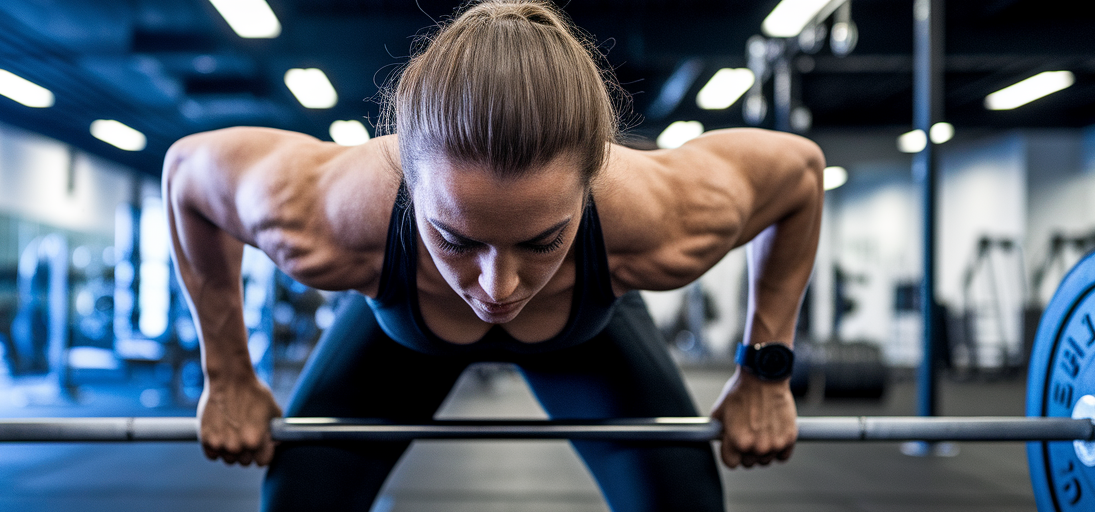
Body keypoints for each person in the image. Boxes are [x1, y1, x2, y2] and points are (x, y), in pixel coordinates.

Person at [163, 1, 823, 510]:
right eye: (455, 238)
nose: (497, 286)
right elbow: (187, 173)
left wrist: (765, 372)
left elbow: (798, 173)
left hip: (588, 336)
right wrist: (228, 376)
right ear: (409, 180)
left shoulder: (663, 217)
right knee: (296, 499)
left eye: (541, 240)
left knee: (686, 503)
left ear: (592, 182)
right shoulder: (327, 214)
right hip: (397, 335)